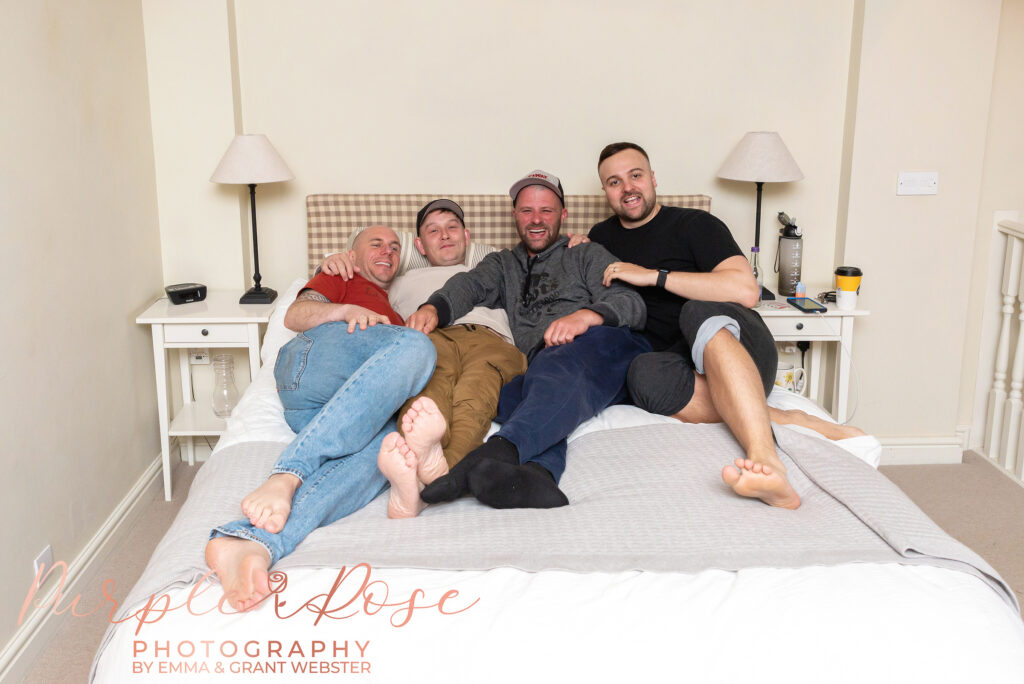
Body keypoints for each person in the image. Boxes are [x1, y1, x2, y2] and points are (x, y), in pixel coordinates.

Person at [588, 142, 864, 511]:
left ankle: (766, 460)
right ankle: (786, 418)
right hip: (679, 369)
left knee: (696, 311)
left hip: (736, 344)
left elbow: (745, 289)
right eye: (614, 182)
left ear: (653, 178)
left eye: (635, 176)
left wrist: (653, 277)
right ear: (605, 191)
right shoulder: (600, 238)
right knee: (640, 374)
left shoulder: (694, 224)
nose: (628, 188)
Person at [204, 225, 437, 611]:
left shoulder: (393, 314)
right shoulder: (339, 274)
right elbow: (296, 315)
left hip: (328, 411)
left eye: (395, 247)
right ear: (352, 253)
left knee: (387, 450)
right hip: (312, 361)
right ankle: (287, 473)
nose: (388, 251)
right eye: (375, 243)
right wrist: (344, 309)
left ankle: (252, 544)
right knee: (418, 348)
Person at [407, 170, 650, 509]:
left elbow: (632, 303)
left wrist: (585, 317)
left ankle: (495, 452)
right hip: (547, 365)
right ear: (515, 216)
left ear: (563, 215)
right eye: (527, 211)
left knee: (554, 367)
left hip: (604, 348)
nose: (536, 220)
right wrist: (434, 308)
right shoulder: (503, 264)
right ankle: (539, 476)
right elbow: (469, 285)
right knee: (509, 397)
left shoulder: (586, 254)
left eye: (546, 211)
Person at [320, 199, 529, 518]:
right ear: (419, 244)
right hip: (431, 337)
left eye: (452, 228)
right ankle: (431, 473)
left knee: (475, 396)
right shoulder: (396, 282)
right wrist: (334, 262)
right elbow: (354, 286)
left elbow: (543, 268)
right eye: (433, 231)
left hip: (490, 340)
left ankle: (423, 484)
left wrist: (576, 243)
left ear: (466, 236)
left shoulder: (496, 271)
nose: (444, 235)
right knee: (427, 398)